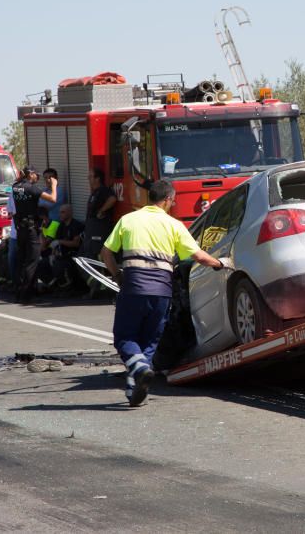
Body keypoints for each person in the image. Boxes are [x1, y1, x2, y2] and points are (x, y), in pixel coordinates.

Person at [100, 179, 223, 407]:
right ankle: (133, 389)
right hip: (162, 292)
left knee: (125, 337)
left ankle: (139, 370)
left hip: (134, 288)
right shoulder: (174, 225)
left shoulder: (128, 219)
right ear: (167, 200)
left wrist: (118, 275)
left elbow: (105, 253)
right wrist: (221, 264)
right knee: (149, 341)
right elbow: (198, 257)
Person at [11, 166, 57, 304]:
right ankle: (27, 295)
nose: (37, 177)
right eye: (35, 175)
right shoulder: (32, 188)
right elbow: (53, 199)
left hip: (21, 229)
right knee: (32, 262)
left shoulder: (15, 187)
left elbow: (18, 183)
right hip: (31, 230)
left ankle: (19, 292)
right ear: (29, 175)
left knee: (22, 260)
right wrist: (54, 185)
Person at [82, 168, 117, 297]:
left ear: (97, 178)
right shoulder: (95, 192)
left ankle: (101, 289)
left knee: (98, 258)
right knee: (89, 257)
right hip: (92, 231)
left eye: (90, 177)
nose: (88, 179)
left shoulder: (103, 191)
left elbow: (112, 199)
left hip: (99, 231)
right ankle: (96, 287)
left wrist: (102, 210)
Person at [48, 204, 83, 292]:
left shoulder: (76, 225)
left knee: (60, 265)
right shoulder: (61, 226)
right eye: (60, 212)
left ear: (70, 213)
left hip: (73, 255)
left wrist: (60, 242)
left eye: (63, 212)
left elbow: (76, 243)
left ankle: (68, 288)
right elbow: (55, 243)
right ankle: (54, 286)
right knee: (41, 264)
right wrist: (52, 255)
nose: (60, 214)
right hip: (61, 254)